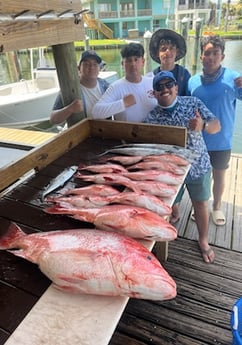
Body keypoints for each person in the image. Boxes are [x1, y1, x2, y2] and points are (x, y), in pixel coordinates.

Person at [144, 70, 221, 263]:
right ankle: (175, 216)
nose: (165, 89)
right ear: (154, 93)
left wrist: (202, 125)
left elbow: (216, 125)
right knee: (170, 206)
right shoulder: (151, 117)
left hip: (198, 166)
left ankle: (203, 240)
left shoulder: (192, 103)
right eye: (159, 87)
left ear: (176, 87)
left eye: (169, 84)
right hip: (170, 172)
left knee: (201, 204)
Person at [188, 35, 242, 226]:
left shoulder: (234, 79)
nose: (211, 57)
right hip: (197, 141)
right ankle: (200, 205)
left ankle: (217, 206)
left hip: (222, 140)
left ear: (222, 56)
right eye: (207, 53)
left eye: (215, 53)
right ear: (201, 57)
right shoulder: (193, 82)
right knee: (200, 176)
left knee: (219, 175)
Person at [92, 42, 157, 122]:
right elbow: (96, 112)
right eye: (129, 61)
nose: (133, 64)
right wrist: (123, 103)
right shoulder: (116, 87)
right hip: (126, 133)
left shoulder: (152, 83)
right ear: (122, 64)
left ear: (143, 62)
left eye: (136, 59)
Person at [50, 50, 109, 126]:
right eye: (87, 64)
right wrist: (70, 109)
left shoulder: (105, 86)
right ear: (79, 68)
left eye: (95, 64)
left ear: (99, 68)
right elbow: (53, 119)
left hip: (104, 131)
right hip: (80, 133)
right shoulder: (70, 89)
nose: (91, 67)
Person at [149, 28, 191, 96]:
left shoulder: (184, 74)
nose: (168, 52)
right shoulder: (152, 76)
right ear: (157, 53)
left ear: (177, 51)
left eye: (171, 48)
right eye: (163, 49)